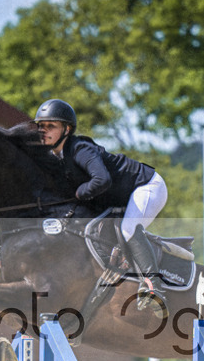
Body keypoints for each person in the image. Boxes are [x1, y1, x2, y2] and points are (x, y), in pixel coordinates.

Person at [34, 99, 170, 313]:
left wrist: (79, 193)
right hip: (119, 198)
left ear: (67, 129)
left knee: (128, 229)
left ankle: (155, 287)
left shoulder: (80, 149)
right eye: (41, 126)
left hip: (147, 186)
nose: (44, 131)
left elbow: (102, 180)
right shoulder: (55, 157)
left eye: (51, 126)